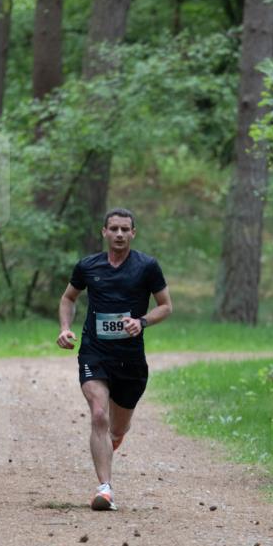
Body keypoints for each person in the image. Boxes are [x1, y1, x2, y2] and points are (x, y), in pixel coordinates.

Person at [57, 208, 172, 511]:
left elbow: (166, 306)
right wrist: (65, 328)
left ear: (133, 233)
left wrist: (142, 322)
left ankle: (113, 440)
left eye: (125, 229)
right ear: (104, 232)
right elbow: (69, 297)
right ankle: (105, 489)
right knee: (98, 414)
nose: (119, 234)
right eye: (114, 229)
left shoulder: (147, 266)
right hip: (94, 352)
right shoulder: (88, 266)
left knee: (117, 429)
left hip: (130, 360)